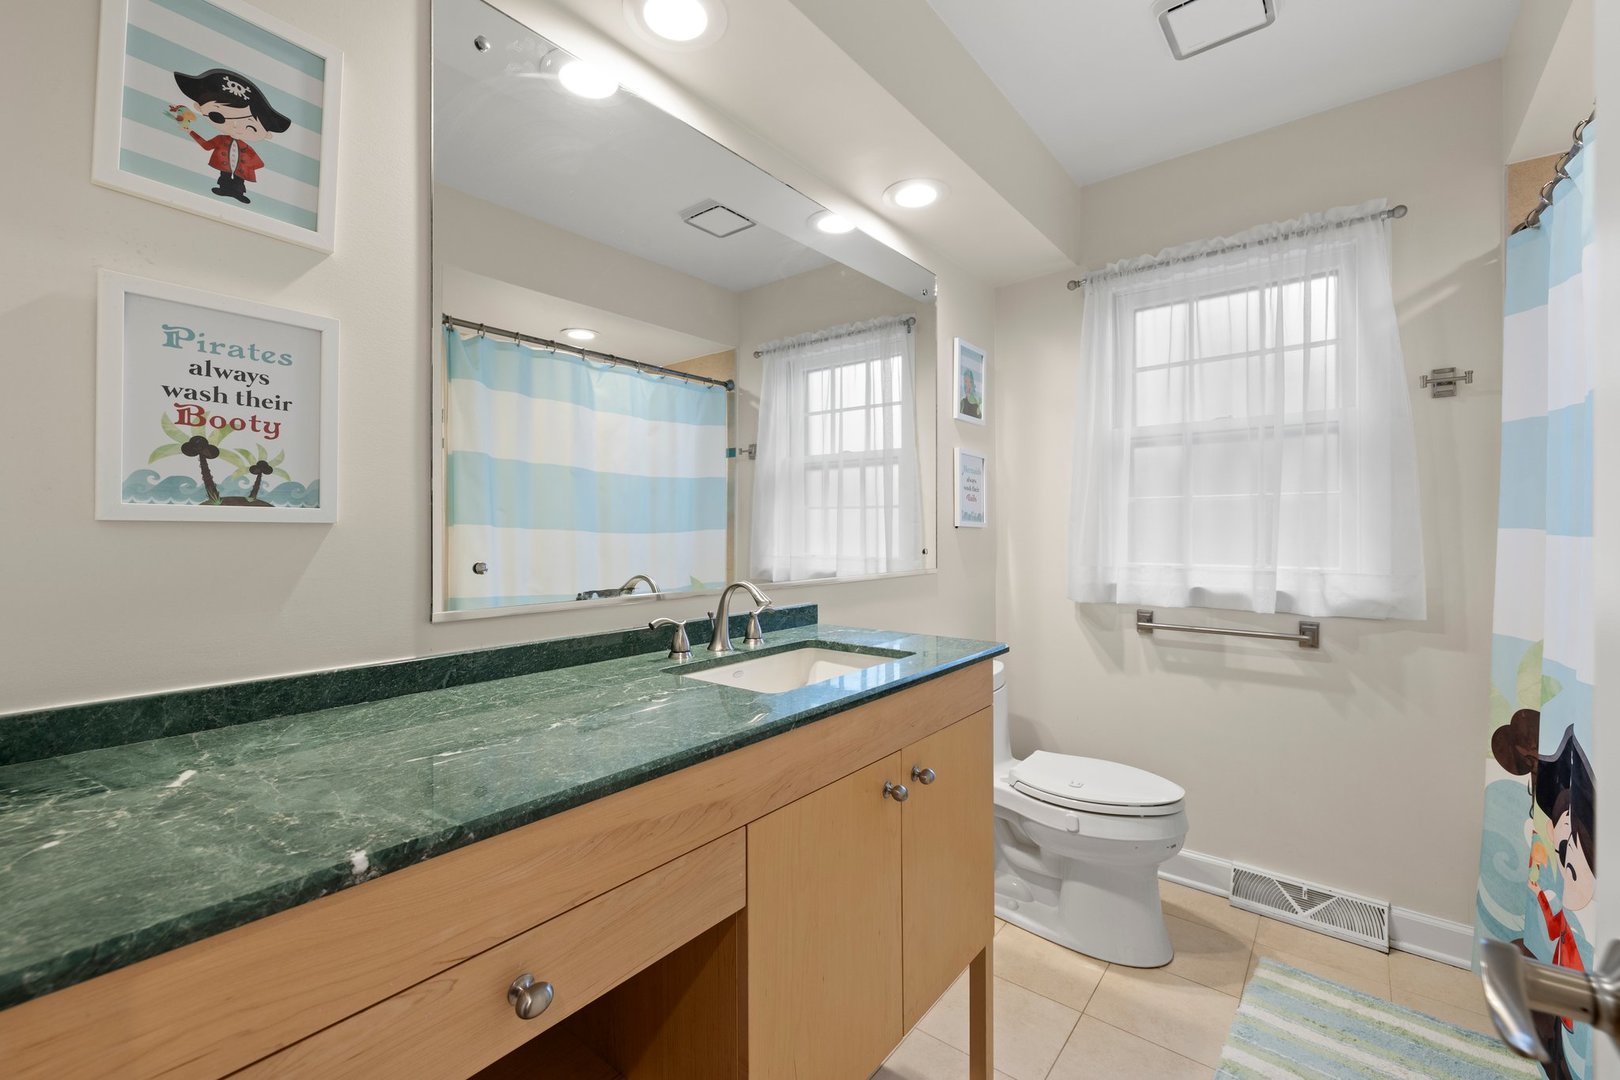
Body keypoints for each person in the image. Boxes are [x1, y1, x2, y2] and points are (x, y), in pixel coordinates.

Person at [170, 68, 291, 205]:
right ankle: (224, 189)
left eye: (250, 127)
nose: (235, 127)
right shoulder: (220, 140)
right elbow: (206, 145)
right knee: (225, 177)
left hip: (241, 172)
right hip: (225, 168)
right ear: (199, 107)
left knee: (239, 181)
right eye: (218, 116)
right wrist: (190, 131)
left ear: (267, 135)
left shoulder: (247, 148)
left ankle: (238, 193)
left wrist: (248, 166)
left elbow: (259, 163)